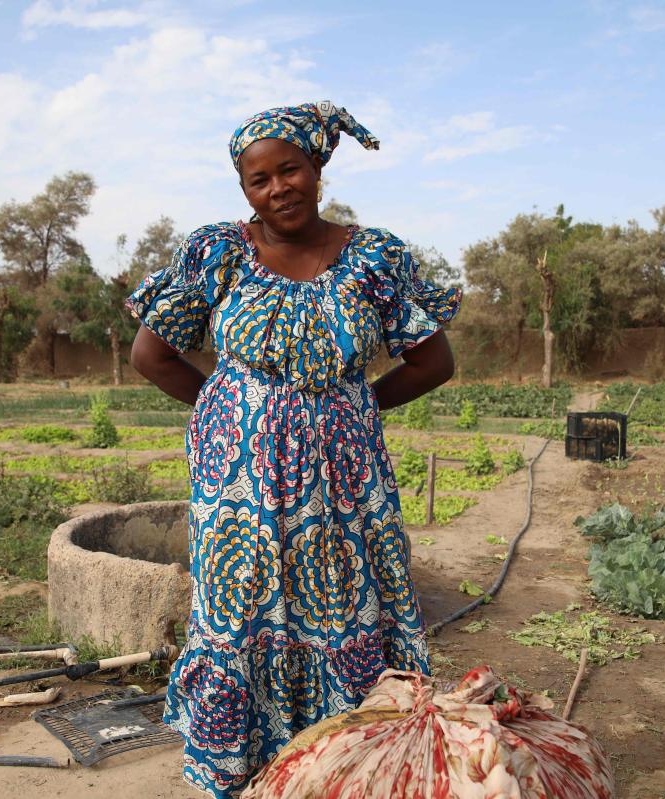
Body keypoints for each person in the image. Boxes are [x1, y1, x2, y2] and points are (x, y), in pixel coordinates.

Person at [126, 101, 460, 798]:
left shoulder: (375, 257)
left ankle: (343, 762)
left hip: (345, 479)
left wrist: (354, 409)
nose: (278, 188)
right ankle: (240, 765)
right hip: (238, 487)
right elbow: (151, 355)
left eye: (290, 170)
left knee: (345, 602)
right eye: (259, 179)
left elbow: (434, 362)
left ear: (317, 168)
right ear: (244, 188)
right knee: (242, 611)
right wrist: (229, 413)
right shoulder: (217, 253)